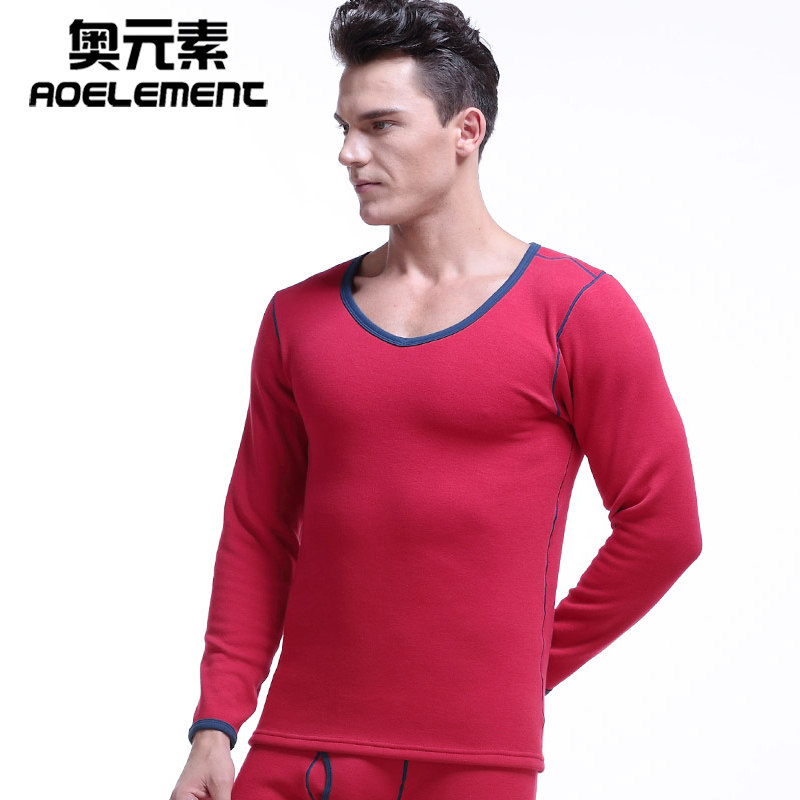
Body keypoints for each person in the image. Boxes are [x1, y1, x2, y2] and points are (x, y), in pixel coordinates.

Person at [169, 1, 702, 798]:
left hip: (472, 766)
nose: (350, 153)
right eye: (344, 128)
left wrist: (523, 669)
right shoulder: (296, 318)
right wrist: (216, 724)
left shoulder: (576, 311)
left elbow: (665, 527)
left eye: (380, 126)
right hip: (297, 751)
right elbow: (257, 531)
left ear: (466, 131)